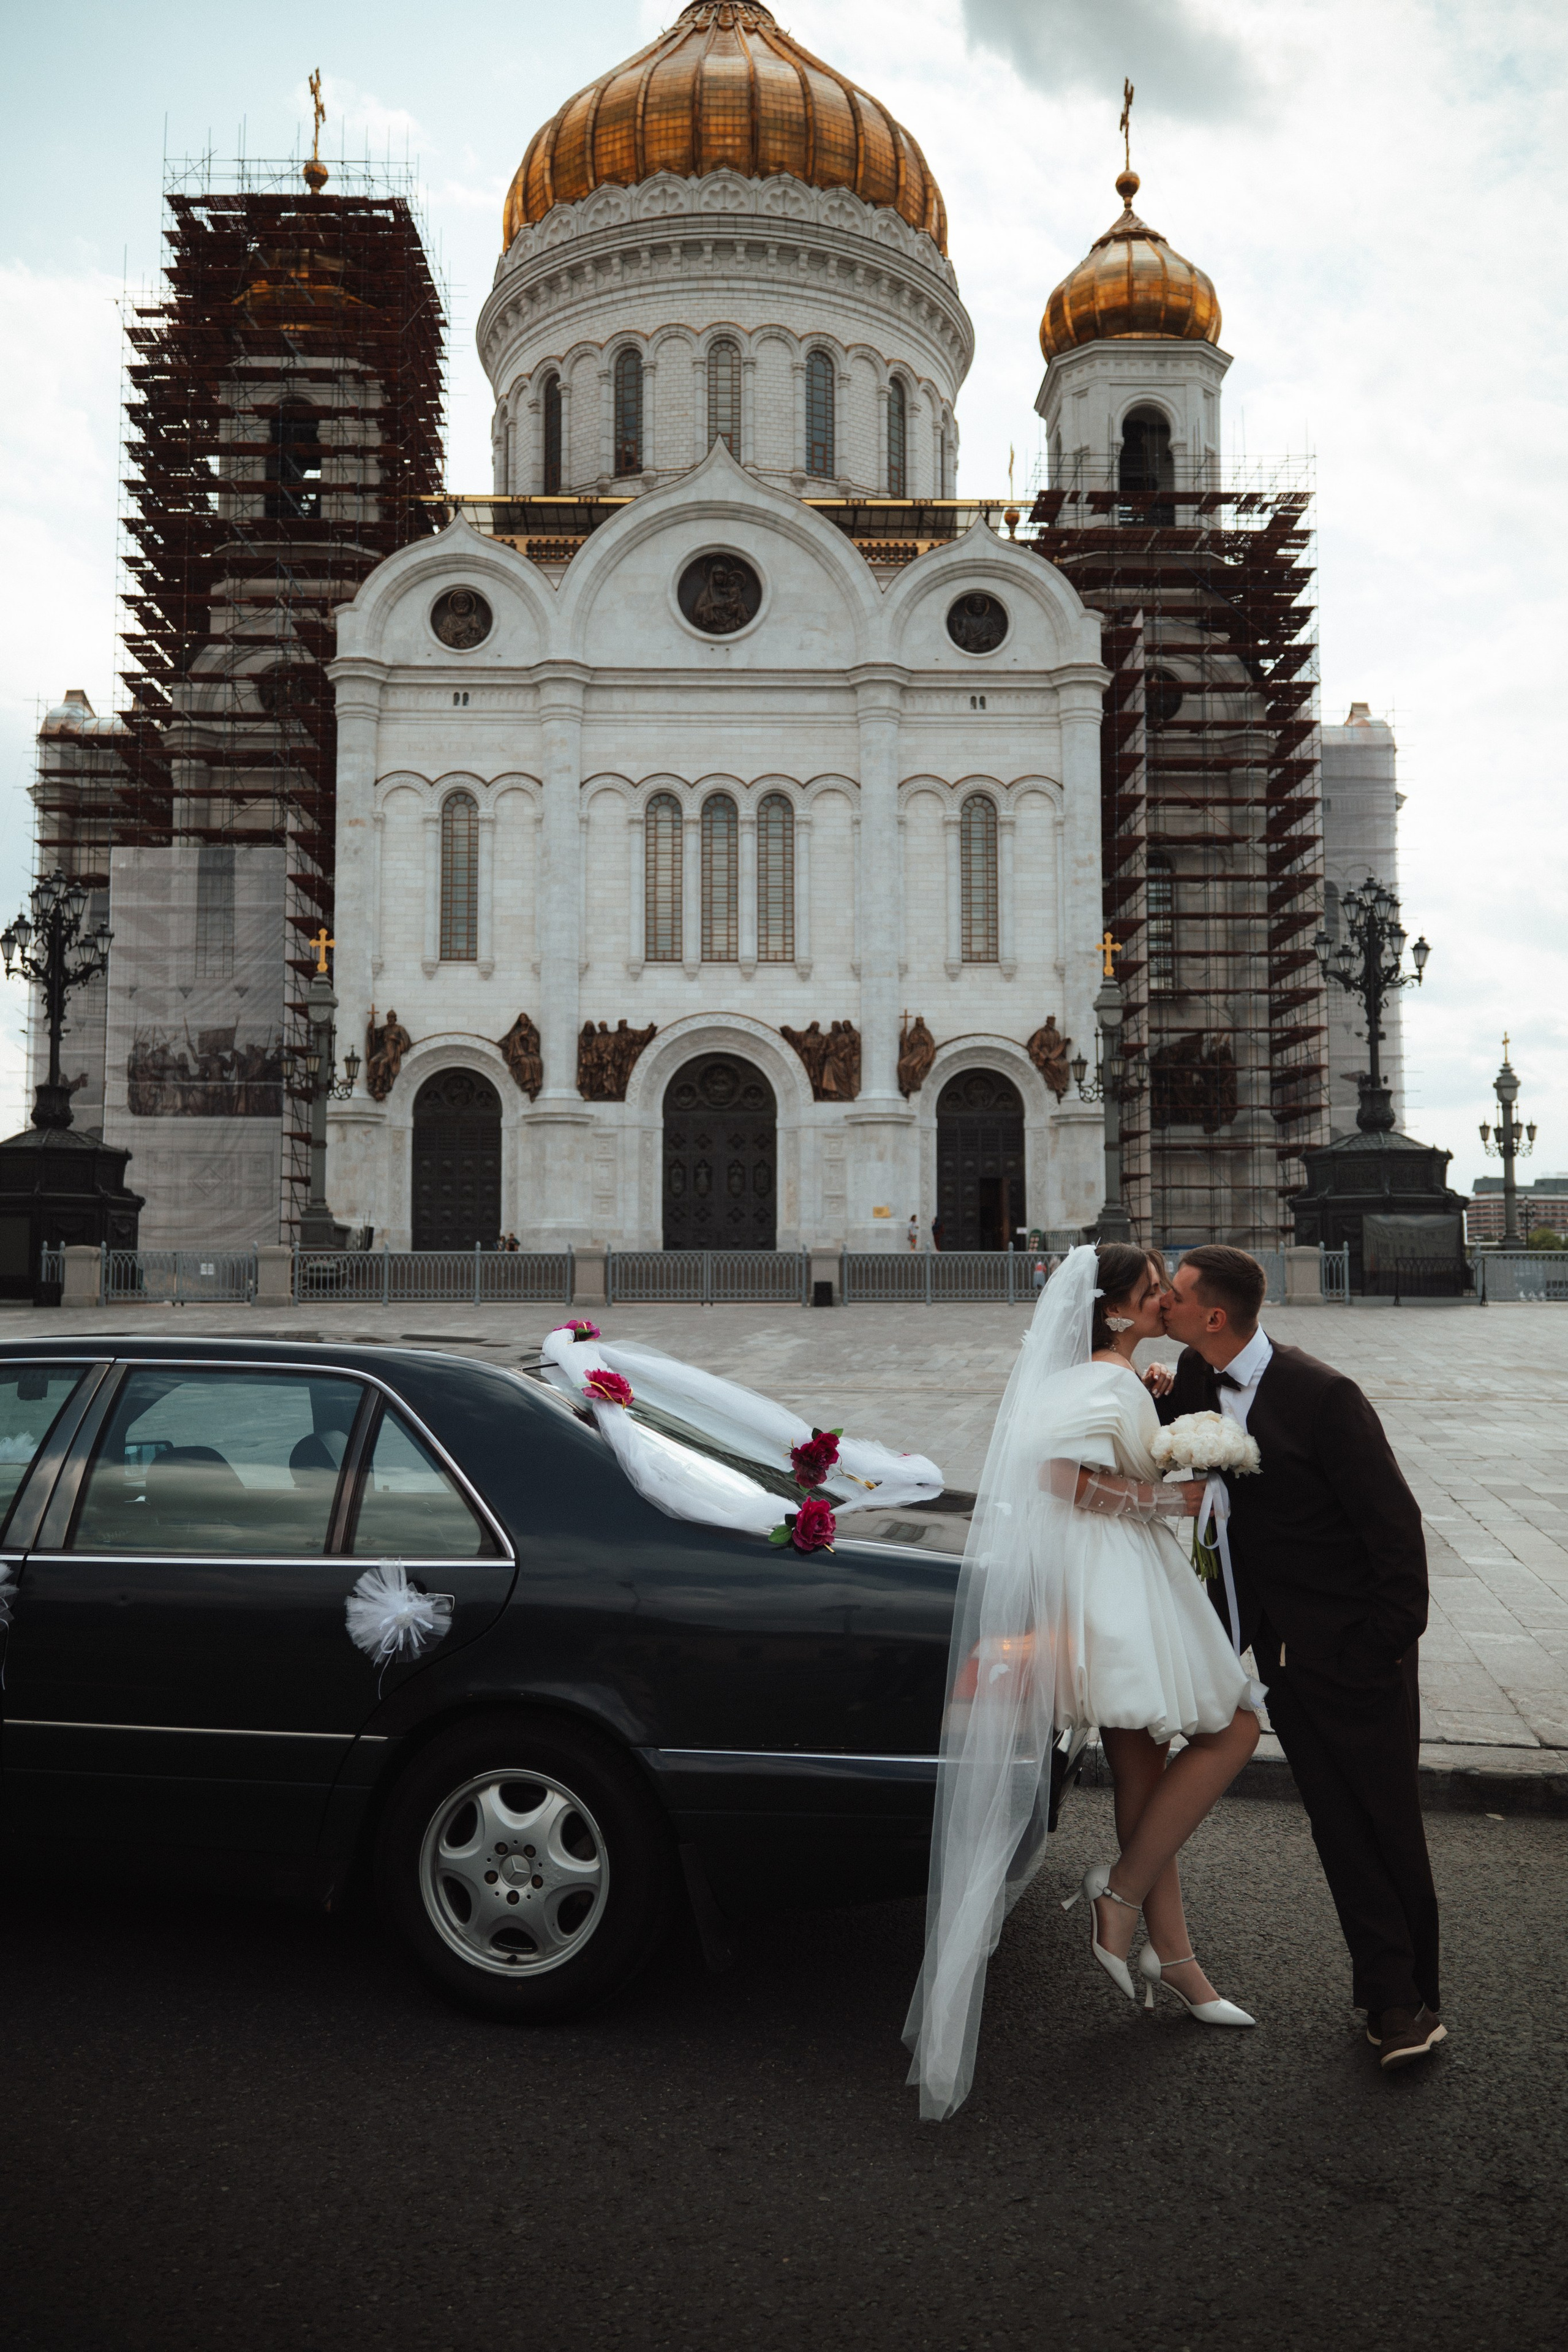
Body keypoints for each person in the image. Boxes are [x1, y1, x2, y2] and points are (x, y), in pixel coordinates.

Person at [905, 1243, 1262, 2120]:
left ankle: (1174, 1959)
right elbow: (1058, 1477)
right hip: (1118, 1581)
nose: (1165, 1305)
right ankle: (1119, 1896)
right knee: (1236, 1724)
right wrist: (1163, 1500)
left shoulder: (1103, 1378)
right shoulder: (1107, 1382)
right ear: (1116, 1311)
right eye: (1153, 1293)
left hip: (1101, 1576)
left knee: (1144, 1768)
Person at [1158, 1245, 1441, 2070]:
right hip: (1280, 1651)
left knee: (1384, 1820)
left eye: (1175, 1296)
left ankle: (1407, 2002)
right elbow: (1181, 1445)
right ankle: (1391, 1993)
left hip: (1357, 1651)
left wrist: (1380, 1647)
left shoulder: (1324, 1396)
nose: (1166, 1306)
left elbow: (1396, 1530)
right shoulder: (1194, 1372)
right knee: (1335, 1825)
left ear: (1215, 1315)